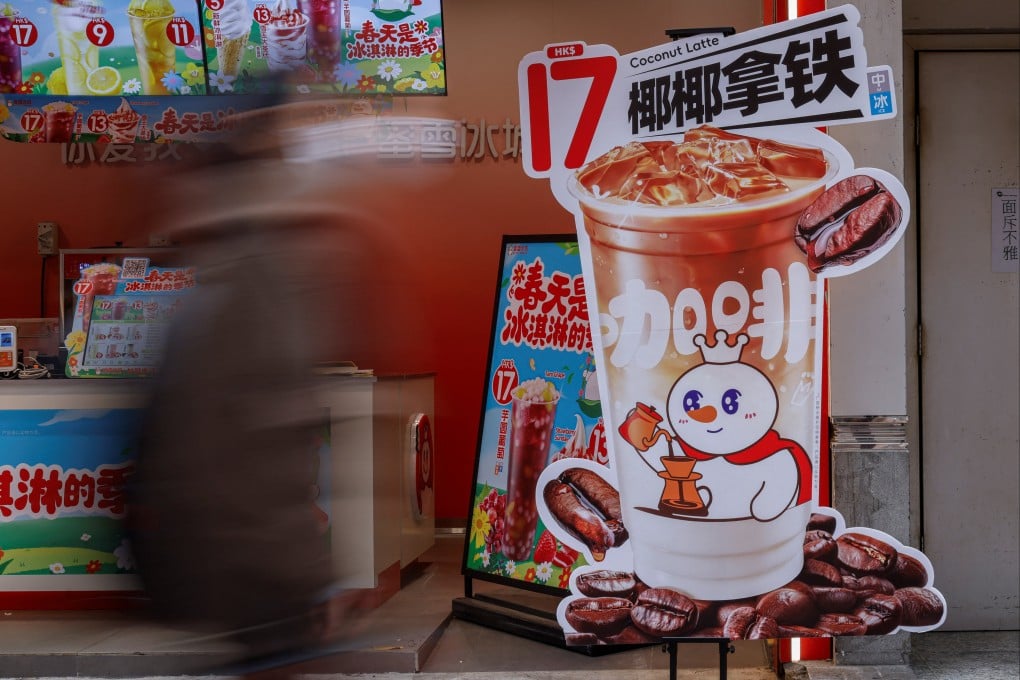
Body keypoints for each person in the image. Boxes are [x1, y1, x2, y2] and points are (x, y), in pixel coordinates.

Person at [128, 94, 347, 677]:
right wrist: (307, 578)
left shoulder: (230, 291)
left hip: (243, 584)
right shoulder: (250, 296)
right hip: (256, 584)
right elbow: (250, 455)